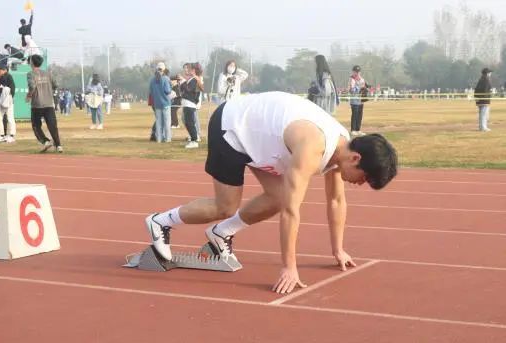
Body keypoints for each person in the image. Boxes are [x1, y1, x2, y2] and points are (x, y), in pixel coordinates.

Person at [144, 91, 398, 294]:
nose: (361, 184)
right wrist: (289, 268)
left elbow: (336, 200)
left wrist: (338, 250)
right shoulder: (313, 147)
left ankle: (221, 233)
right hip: (232, 126)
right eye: (365, 178)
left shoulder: (341, 146)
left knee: (277, 197)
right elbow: (291, 211)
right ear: (355, 158)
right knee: (226, 206)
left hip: (264, 137)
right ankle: (160, 222)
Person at [26, 54, 63, 153]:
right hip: (49, 103)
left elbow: (32, 86)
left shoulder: (30, 74)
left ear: (32, 63)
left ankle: (45, 141)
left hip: (37, 104)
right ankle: (58, 145)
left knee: (36, 126)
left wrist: (29, 96)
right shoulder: (48, 73)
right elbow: (56, 85)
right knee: (52, 125)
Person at [181, 63, 203, 148]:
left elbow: (189, 90)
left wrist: (183, 82)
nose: (187, 70)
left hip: (190, 104)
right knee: (188, 122)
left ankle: (194, 140)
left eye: (189, 69)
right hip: (187, 103)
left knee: (190, 123)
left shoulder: (194, 80)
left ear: (193, 71)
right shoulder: (192, 79)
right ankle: (194, 138)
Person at [149, 62, 172, 143]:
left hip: (157, 104)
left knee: (158, 123)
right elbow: (168, 91)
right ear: (164, 69)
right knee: (167, 122)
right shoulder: (165, 78)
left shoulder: (152, 80)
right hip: (165, 103)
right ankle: (167, 139)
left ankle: (159, 139)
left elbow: (151, 92)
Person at [0, 62, 16, 143]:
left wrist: (9, 100)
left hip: (8, 101)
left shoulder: (8, 76)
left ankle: (11, 135)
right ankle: (1, 135)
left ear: (3, 69)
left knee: (10, 118)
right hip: (1, 101)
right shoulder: (0, 77)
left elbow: (12, 89)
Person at [348, 65, 367, 136]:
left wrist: (365, 89)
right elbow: (351, 90)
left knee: (360, 115)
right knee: (354, 115)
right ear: (353, 72)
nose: (357, 73)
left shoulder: (362, 79)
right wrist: (358, 88)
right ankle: (353, 130)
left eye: (358, 72)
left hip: (360, 100)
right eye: (355, 71)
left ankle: (358, 129)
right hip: (354, 100)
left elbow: (364, 87)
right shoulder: (352, 79)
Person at [474, 68, 493, 132]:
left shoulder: (481, 79)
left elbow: (476, 89)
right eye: (490, 73)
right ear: (487, 73)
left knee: (481, 114)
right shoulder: (486, 80)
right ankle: (483, 127)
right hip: (484, 99)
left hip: (480, 99)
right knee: (484, 114)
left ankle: (481, 126)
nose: (490, 74)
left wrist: (476, 97)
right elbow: (486, 90)